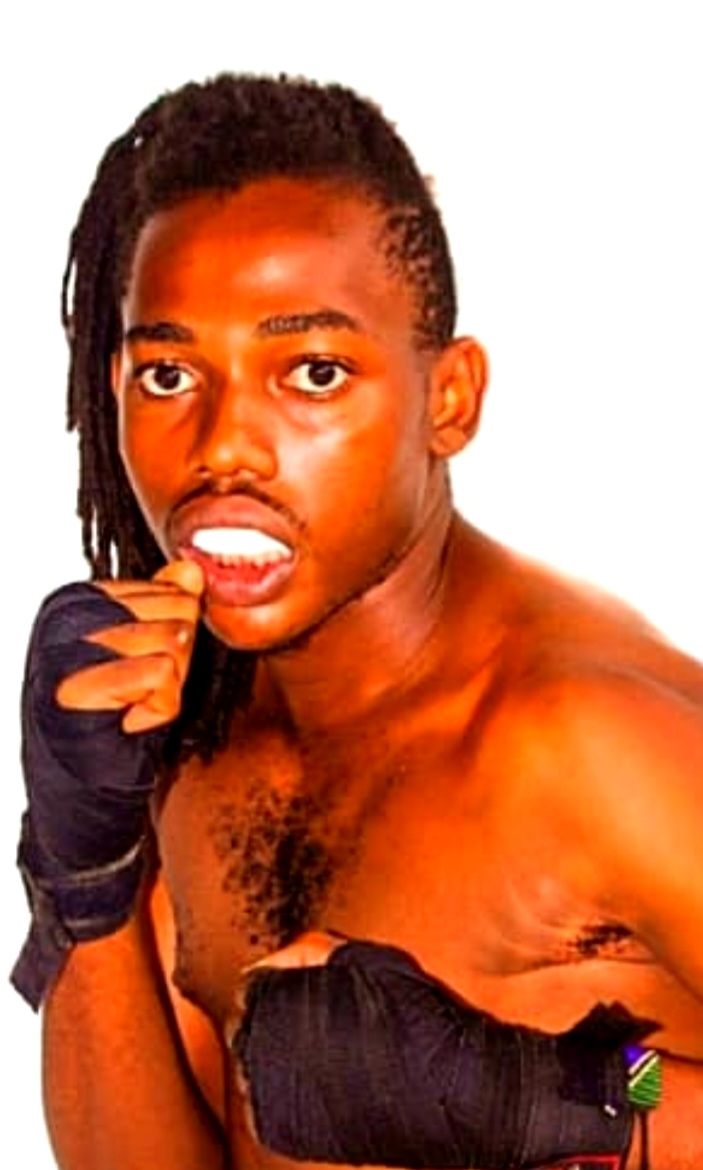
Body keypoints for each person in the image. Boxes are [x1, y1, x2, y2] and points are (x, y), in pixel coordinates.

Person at [10, 72, 703, 1170]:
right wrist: (82, 881)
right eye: (170, 375)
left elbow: (644, 1082)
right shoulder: (185, 746)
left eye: (314, 372)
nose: (221, 447)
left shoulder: (592, 740)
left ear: (449, 400)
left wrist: (574, 1095)